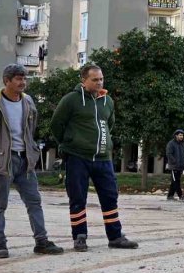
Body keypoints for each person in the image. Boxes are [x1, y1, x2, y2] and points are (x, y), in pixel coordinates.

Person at [0, 64, 64, 258]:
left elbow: (31, 128)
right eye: (18, 79)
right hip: (2, 161)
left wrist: (29, 150)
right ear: (7, 81)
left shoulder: (28, 101)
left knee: (34, 201)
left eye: (25, 79)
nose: (23, 83)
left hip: (25, 161)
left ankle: (41, 242)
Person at [50, 64, 138, 251]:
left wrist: (103, 144)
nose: (99, 82)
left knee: (110, 197)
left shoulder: (108, 101)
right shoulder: (71, 100)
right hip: (77, 157)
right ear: (84, 80)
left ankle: (115, 237)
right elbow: (56, 125)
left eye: (101, 79)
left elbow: (109, 125)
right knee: (77, 198)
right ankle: (80, 237)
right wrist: (69, 142)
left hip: (103, 158)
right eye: (95, 79)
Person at [165, 129, 184, 202]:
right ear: (176, 135)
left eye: (182, 135)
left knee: (174, 182)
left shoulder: (182, 144)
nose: (182, 137)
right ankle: (180, 196)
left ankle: (170, 196)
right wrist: (174, 162)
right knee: (176, 182)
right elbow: (169, 154)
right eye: (180, 135)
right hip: (174, 166)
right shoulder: (171, 143)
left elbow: (183, 154)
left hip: (180, 166)